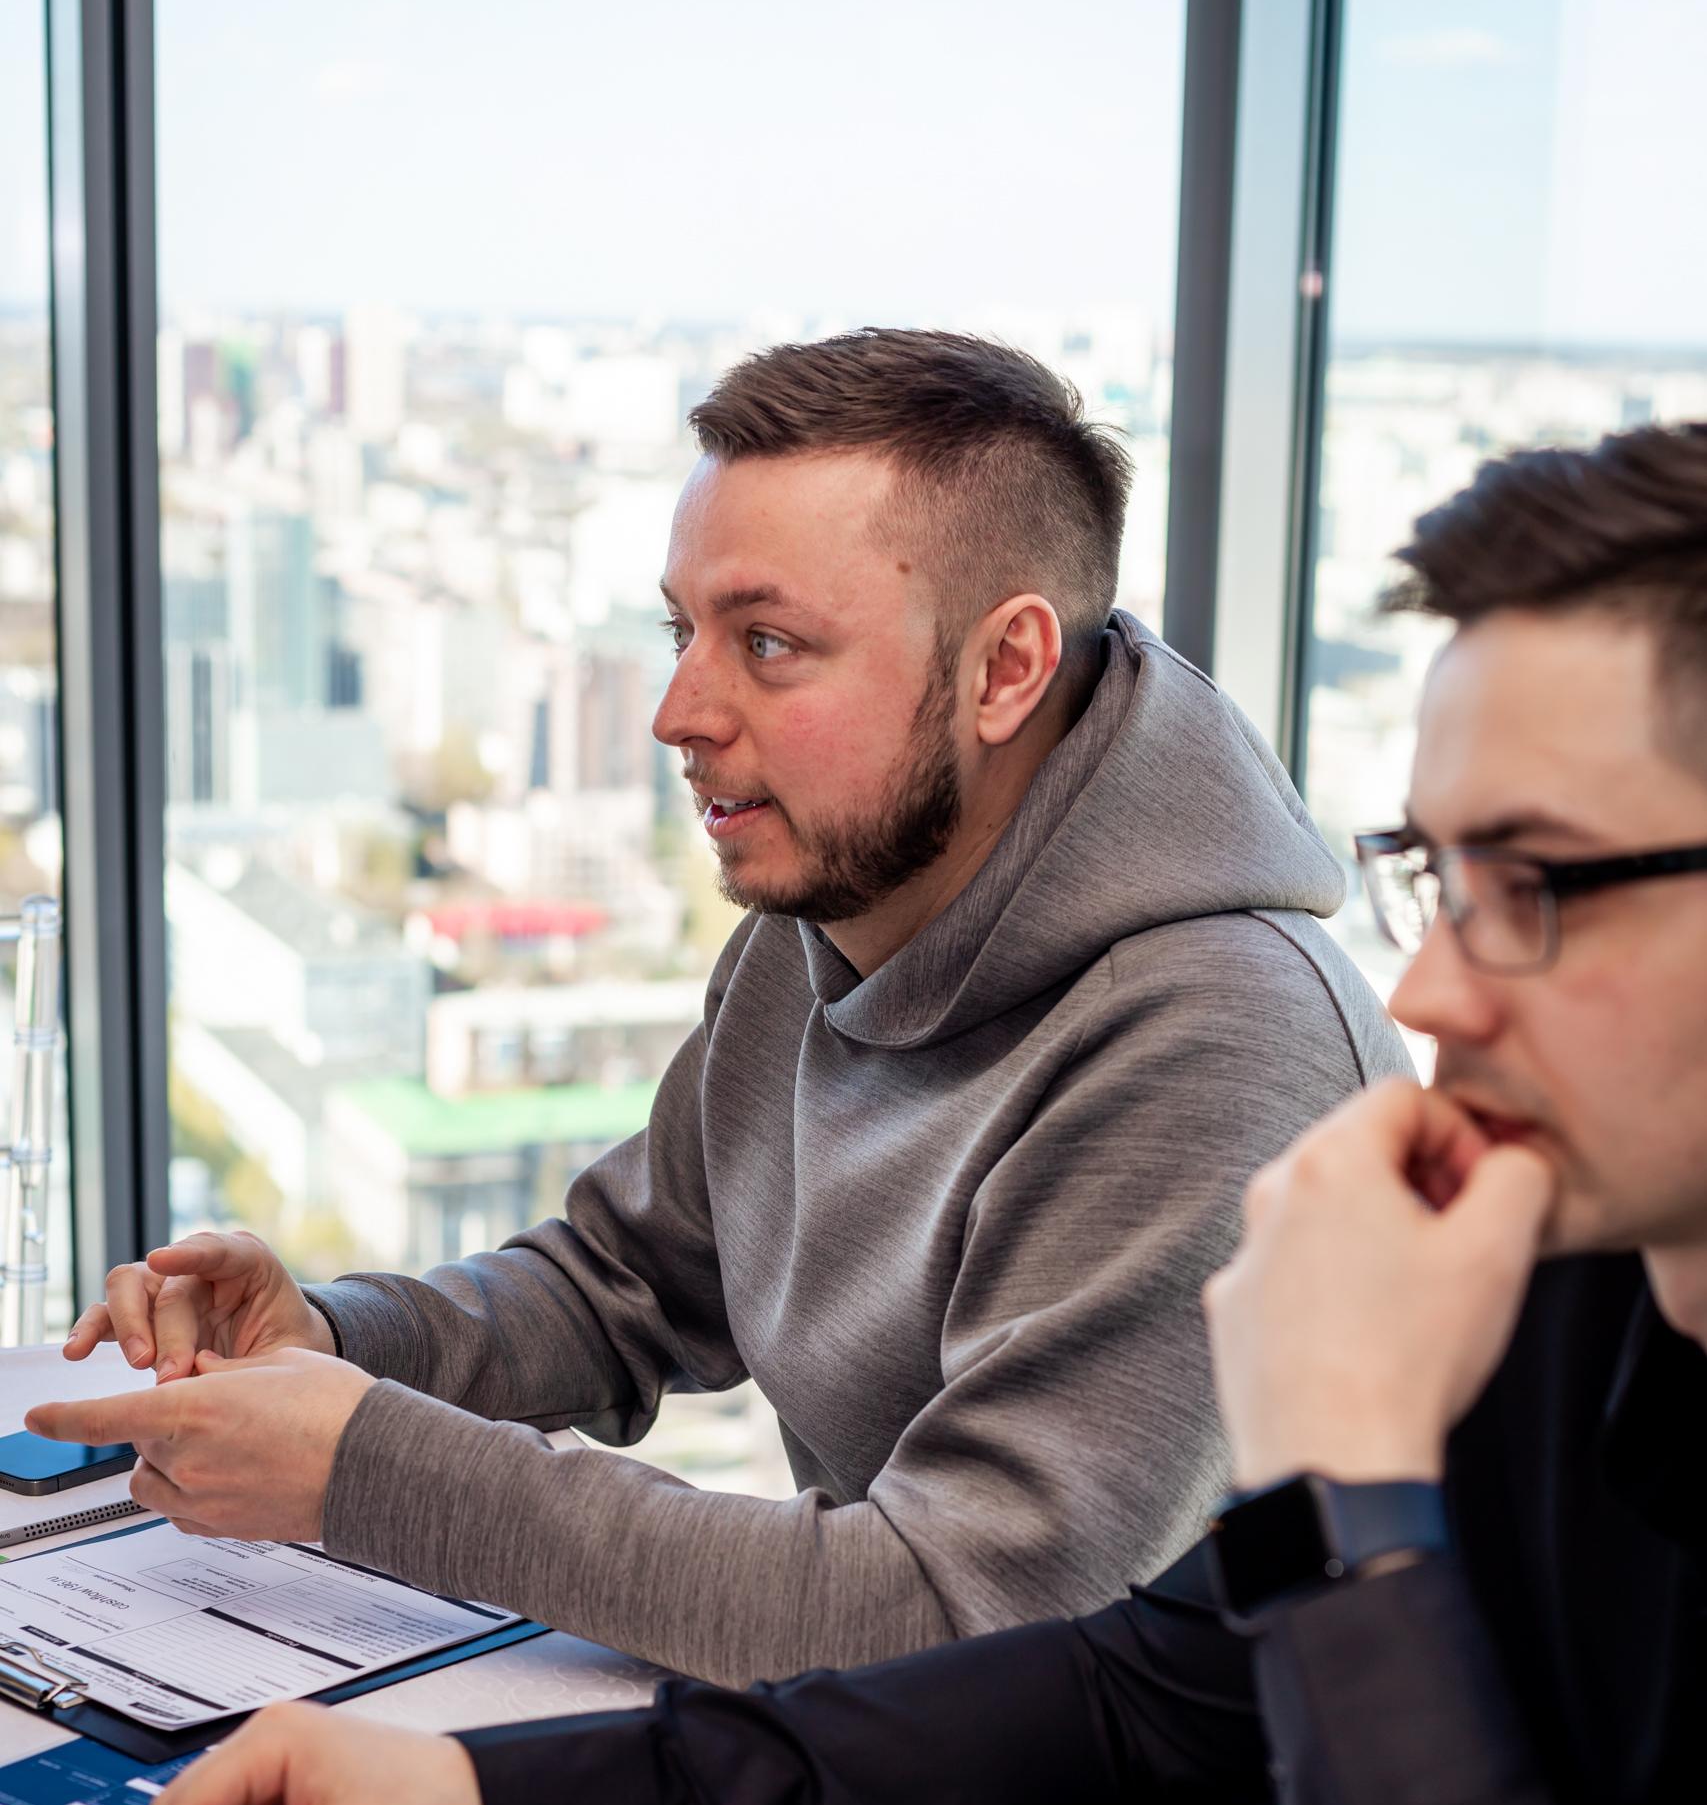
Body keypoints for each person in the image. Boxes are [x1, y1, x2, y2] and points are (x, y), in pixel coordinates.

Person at [124, 421, 1707, 1805]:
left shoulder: (1259, 1069)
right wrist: (482, 1801)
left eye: (1534, 884)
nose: (1431, 997)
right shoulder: (1564, 1291)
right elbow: (1123, 1689)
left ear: (1004, 664)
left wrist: (1349, 1489)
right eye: (1438, 878)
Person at [36, 329, 1401, 1685]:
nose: (680, 711)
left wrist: (370, 1469)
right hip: (891, 1770)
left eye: (768, 643)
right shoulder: (828, 909)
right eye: (681, 632)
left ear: (1005, 670)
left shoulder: (1217, 1045)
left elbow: (964, 1617)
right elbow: (627, 1284)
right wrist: (337, 1340)